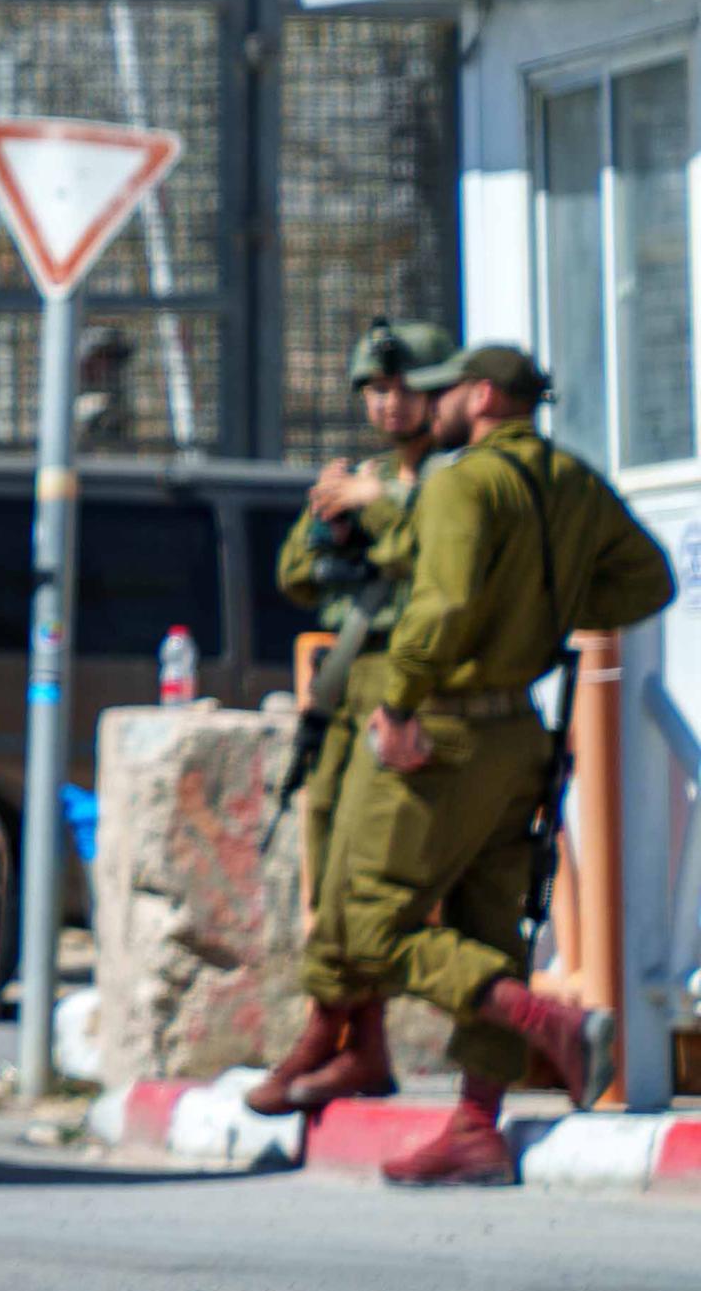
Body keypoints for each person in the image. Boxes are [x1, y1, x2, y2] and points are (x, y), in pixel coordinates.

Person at [313, 345, 672, 1187]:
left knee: (368, 925)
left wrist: (398, 701)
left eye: (441, 390)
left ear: (480, 396)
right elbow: (645, 581)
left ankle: (542, 1017)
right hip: (521, 733)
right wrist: (547, 611)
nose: (427, 404)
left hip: (445, 733)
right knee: (490, 926)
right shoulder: (573, 481)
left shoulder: (460, 481)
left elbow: (440, 606)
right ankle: (476, 1124)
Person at [244, 317, 450, 1117]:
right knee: (329, 853)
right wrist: (332, 519)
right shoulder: (370, 475)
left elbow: (443, 561)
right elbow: (298, 575)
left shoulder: (453, 479)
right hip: (349, 683)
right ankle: (358, 1043)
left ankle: (337, 1033)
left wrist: (384, 505)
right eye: (375, 389)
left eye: (401, 387)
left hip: (415, 682)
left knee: (372, 875)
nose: (388, 403)